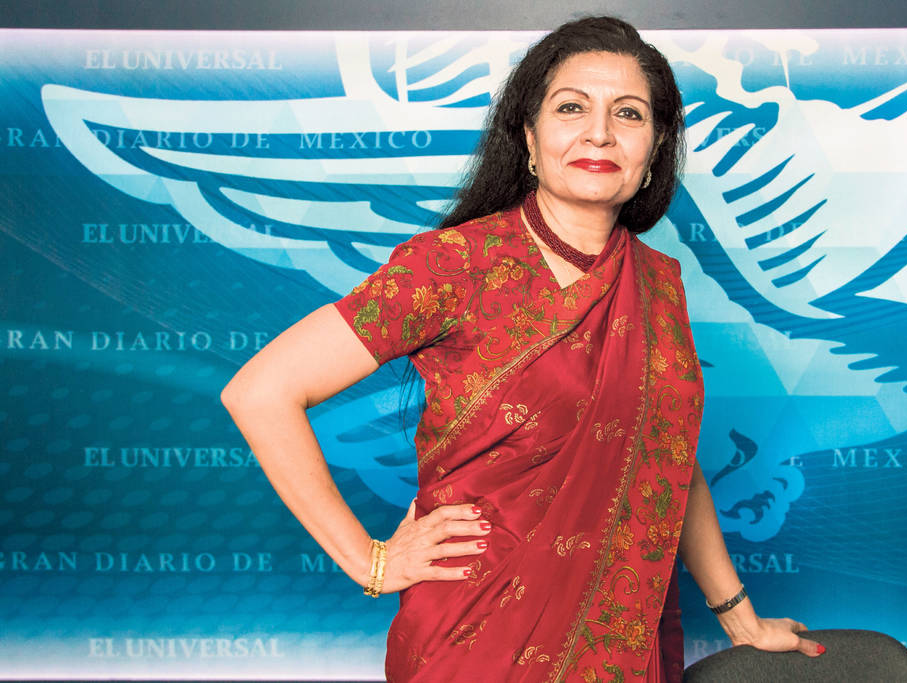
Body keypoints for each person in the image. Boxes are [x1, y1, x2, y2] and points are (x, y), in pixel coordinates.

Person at [221, 16, 823, 682]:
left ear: (654, 149)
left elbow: (668, 461)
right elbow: (262, 391)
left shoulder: (659, 283)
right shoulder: (454, 265)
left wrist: (739, 616)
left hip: (620, 638)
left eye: (628, 113)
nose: (600, 133)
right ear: (530, 139)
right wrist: (372, 561)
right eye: (572, 108)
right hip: (476, 639)